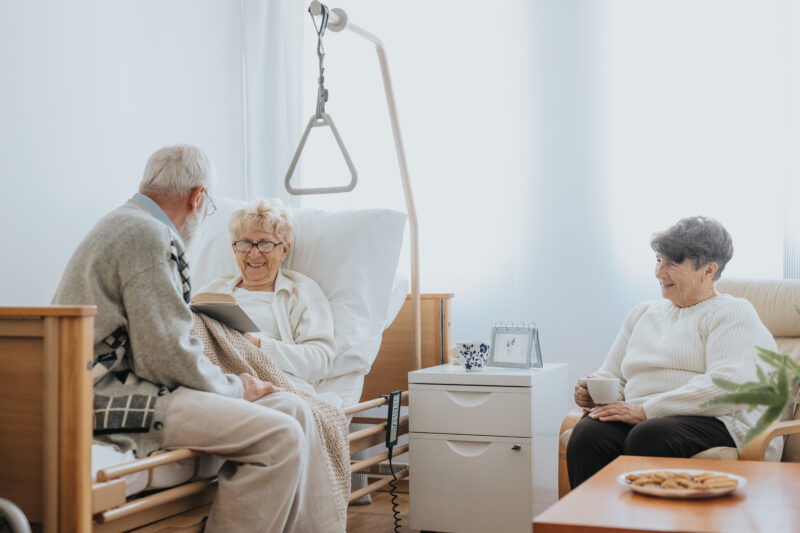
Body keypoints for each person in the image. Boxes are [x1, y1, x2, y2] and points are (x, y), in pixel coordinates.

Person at [52, 145, 344, 532]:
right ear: (197, 197)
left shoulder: (129, 223)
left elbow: (159, 345)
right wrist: (236, 387)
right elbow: (166, 356)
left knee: (293, 409)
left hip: (128, 383)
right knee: (279, 436)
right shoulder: (146, 235)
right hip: (111, 395)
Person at [567, 216, 782, 489]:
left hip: (715, 420)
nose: (659, 273)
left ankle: (648, 529)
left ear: (708, 270)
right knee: (589, 433)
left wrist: (646, 410)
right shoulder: (643, 313)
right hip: (643, 414)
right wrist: (592, 389)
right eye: (658, 260)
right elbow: (613, 374)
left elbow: (729, 389)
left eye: (672, 263)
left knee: (651, 434)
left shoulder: (731, 312)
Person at [200, 198, 336, 395]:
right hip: (213, 377)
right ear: (234, 248)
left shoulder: (302, 292)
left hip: (272, 381)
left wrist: (257, 345)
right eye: (245, 244)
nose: (254, 254)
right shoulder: (213, 290)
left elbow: (320, 359)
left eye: (265, 244)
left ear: (284, 250)